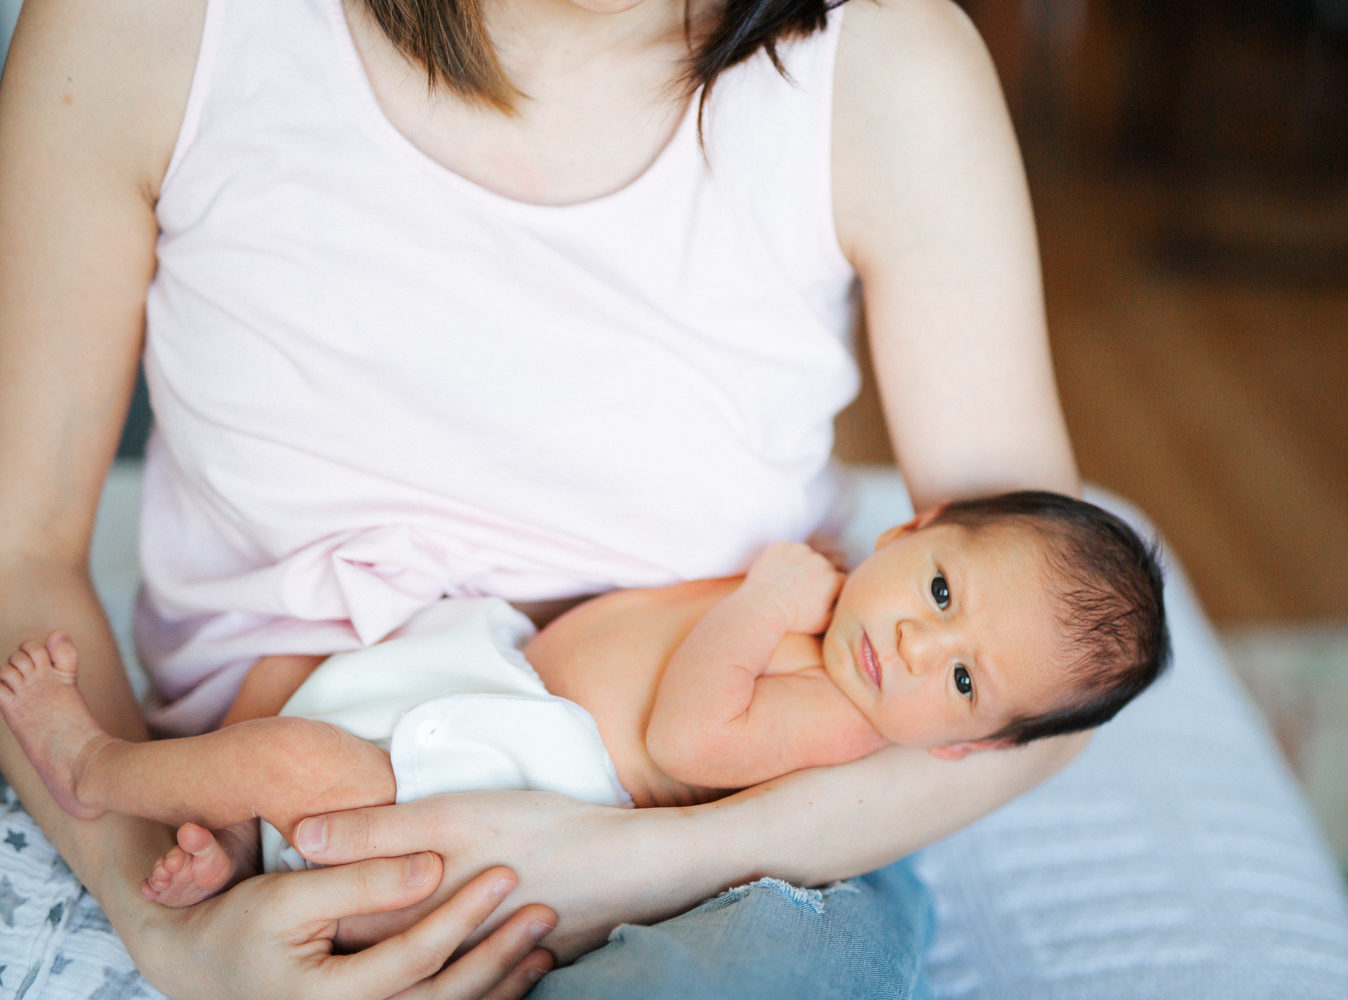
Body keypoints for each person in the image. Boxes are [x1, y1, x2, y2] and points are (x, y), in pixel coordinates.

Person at [0, 0, 1088, 995]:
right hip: (282, 809)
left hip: (717, 842)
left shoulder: (889, 65)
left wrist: (626, 864)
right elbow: (20, 546)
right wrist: (164, 924)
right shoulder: (144, 27)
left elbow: (1046, 684)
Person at [1, 491, 1168, 916]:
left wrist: (763, 601)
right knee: (275, 689)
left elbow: (686, 735)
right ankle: (232, 852)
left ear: (968, 749)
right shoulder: (844, 603)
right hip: (491, 676)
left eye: (963, 681)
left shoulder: (843, 716)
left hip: (517, 778)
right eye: (944, 588)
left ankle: (99, 766)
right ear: (911, 528)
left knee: (304, 765)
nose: (917, 643)